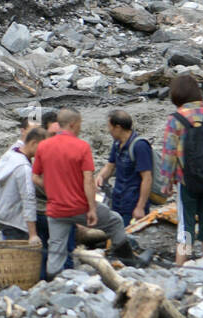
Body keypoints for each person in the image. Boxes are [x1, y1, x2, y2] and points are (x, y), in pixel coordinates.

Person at [33, 108, 140, 276]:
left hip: (55, 209)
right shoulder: (82, 146)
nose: (81, 127)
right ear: (73, 124)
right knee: (115, 221)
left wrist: (52, 188)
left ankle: (52, 282)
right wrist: (91, 208)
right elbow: (88, 181)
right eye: (80, 124)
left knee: (56, 249)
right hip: (79, 206)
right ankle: (131, 263)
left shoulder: (43, 147)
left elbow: (35, 176)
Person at [158, 75, 203, 264]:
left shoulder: (175, 119)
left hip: (187, 180)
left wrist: (166, 183)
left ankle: (181, 264)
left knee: (186, 223)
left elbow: (169, 154)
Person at [97, 109, 154, 226]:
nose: (109, 131)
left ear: (118, 127)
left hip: (133, 204)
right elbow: (110, 165)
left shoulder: (140, 146)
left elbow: (147, 178)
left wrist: (140, 207)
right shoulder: (117, 143)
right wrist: (100, 177)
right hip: (118, 200)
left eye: (110, 127)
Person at [0, 126, 46, 242]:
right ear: (33, 143)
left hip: (4, 216)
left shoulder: (12, 154)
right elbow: (28, 199)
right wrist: (33, 234)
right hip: (16, 223)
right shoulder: (23, 168)